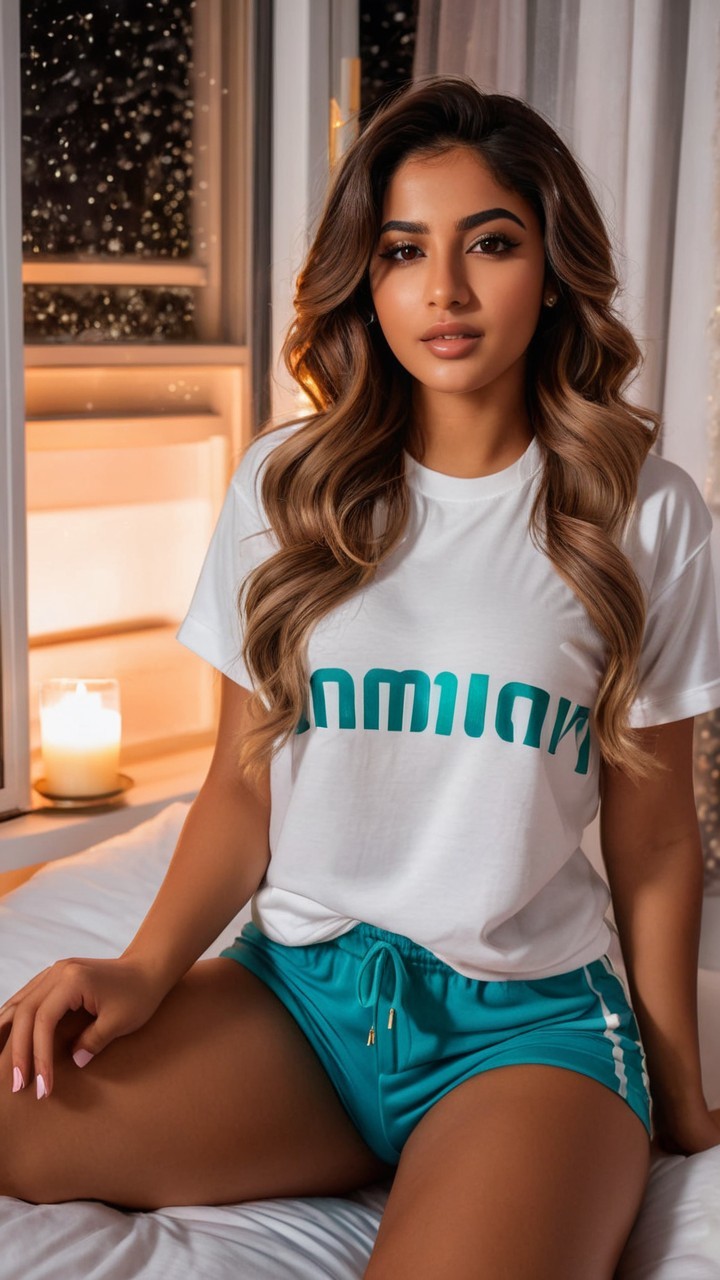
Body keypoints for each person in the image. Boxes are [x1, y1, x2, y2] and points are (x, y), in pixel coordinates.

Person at [1, 74, 720, 1279]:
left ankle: (477, 1155)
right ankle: (360, 1143)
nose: (443, 291)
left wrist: (684, 1092)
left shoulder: (642, 512)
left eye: (490, 243)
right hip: (300, 1006)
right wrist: (143, 965)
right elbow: (240, 790)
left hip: (527, 1033)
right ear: (366, 279)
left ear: (551, 269)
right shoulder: (290, 485)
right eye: (402, 250)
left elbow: (653, 844)